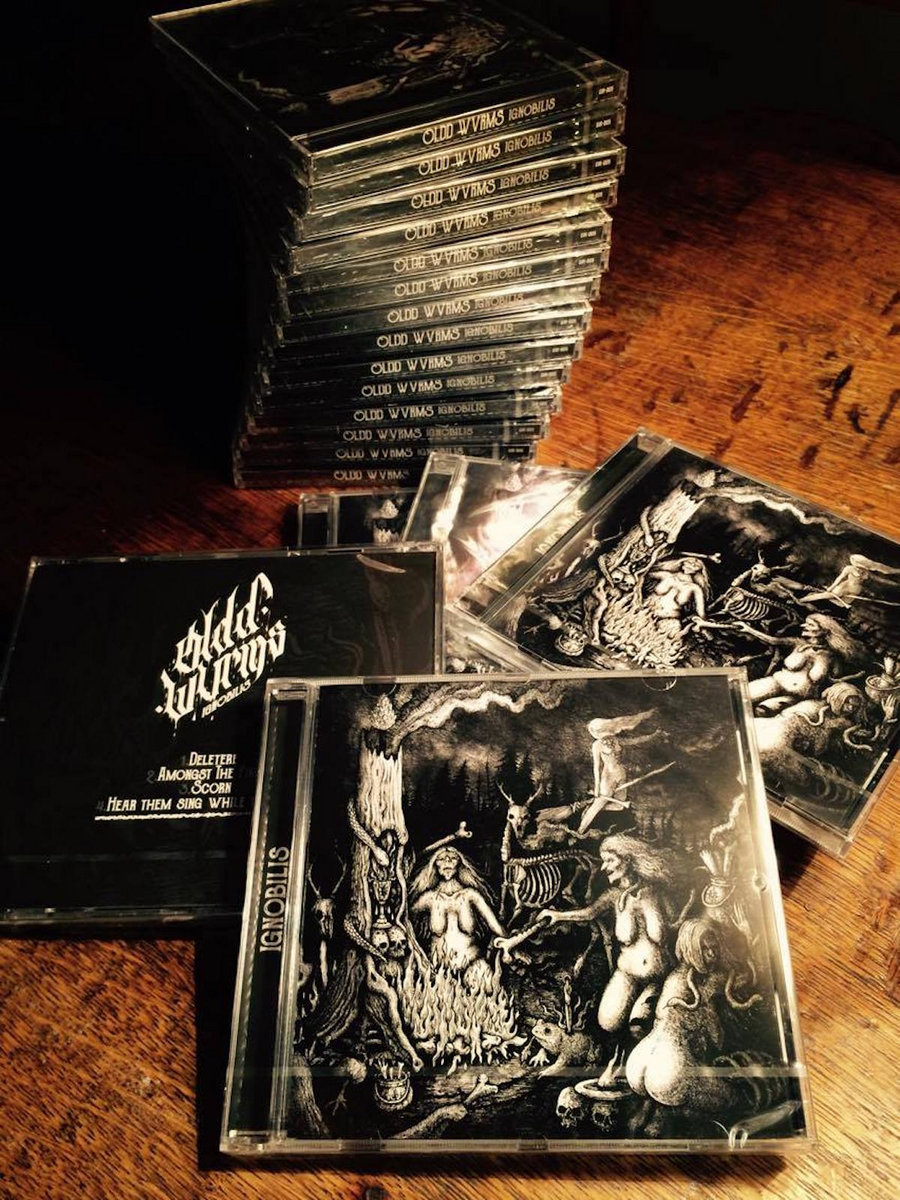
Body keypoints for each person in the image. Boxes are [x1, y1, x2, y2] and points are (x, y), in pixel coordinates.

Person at [409, 846, 506, 987]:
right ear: (435, 865)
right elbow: (404, 919)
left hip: (471, 965)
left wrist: (512, 945)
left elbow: (496, 927)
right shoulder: (428, 898)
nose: (447, 862)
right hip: (436, 969)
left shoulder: (471, 895)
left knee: (485, 983)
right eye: (441, 859)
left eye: (453, 858)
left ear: (459, 864)